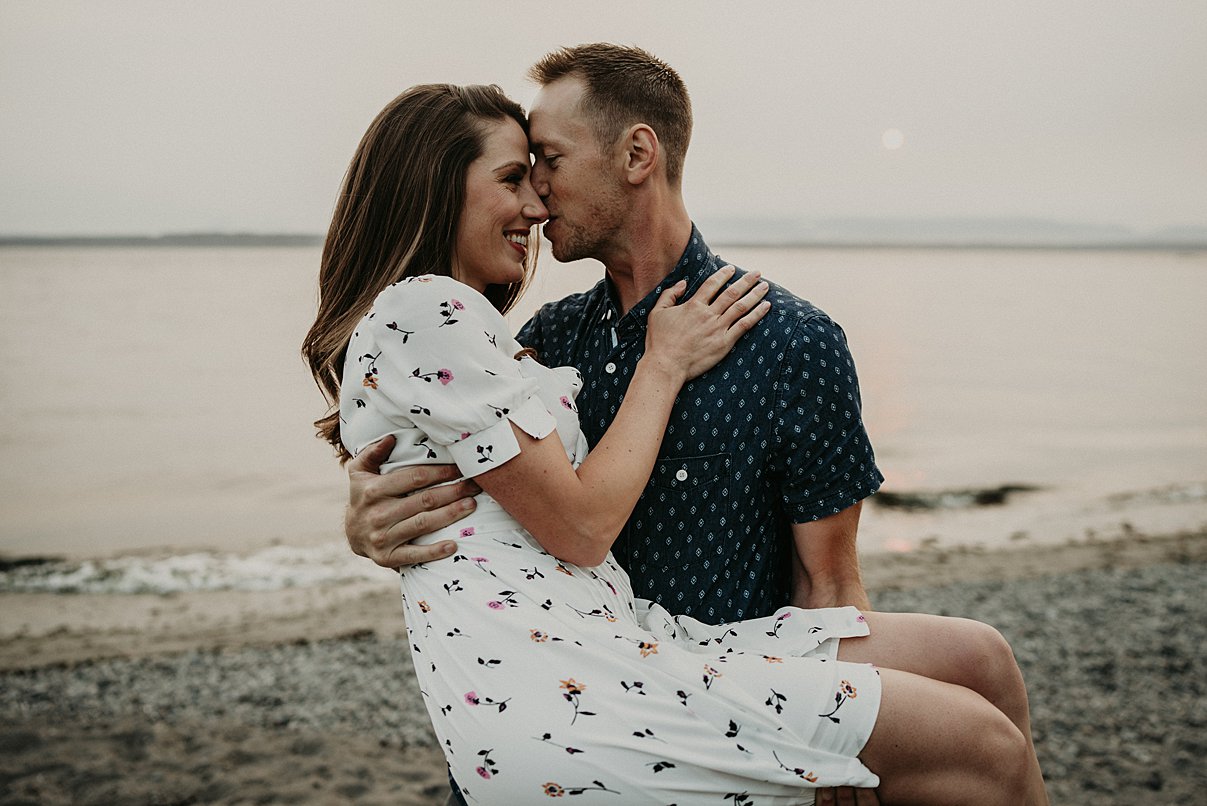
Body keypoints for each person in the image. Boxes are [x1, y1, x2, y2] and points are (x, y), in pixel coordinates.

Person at [305, 73, 1047, 804]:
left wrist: (837, 721)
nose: (536, 197)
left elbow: (829, 579)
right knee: (980, 749)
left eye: (548, 163)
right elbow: (489, 502)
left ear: (636, 156)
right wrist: (366, 521)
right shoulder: (546, 340)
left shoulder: (791, 341)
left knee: (980, 659)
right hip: (601, 683)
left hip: (693, 649)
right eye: (518, 173)